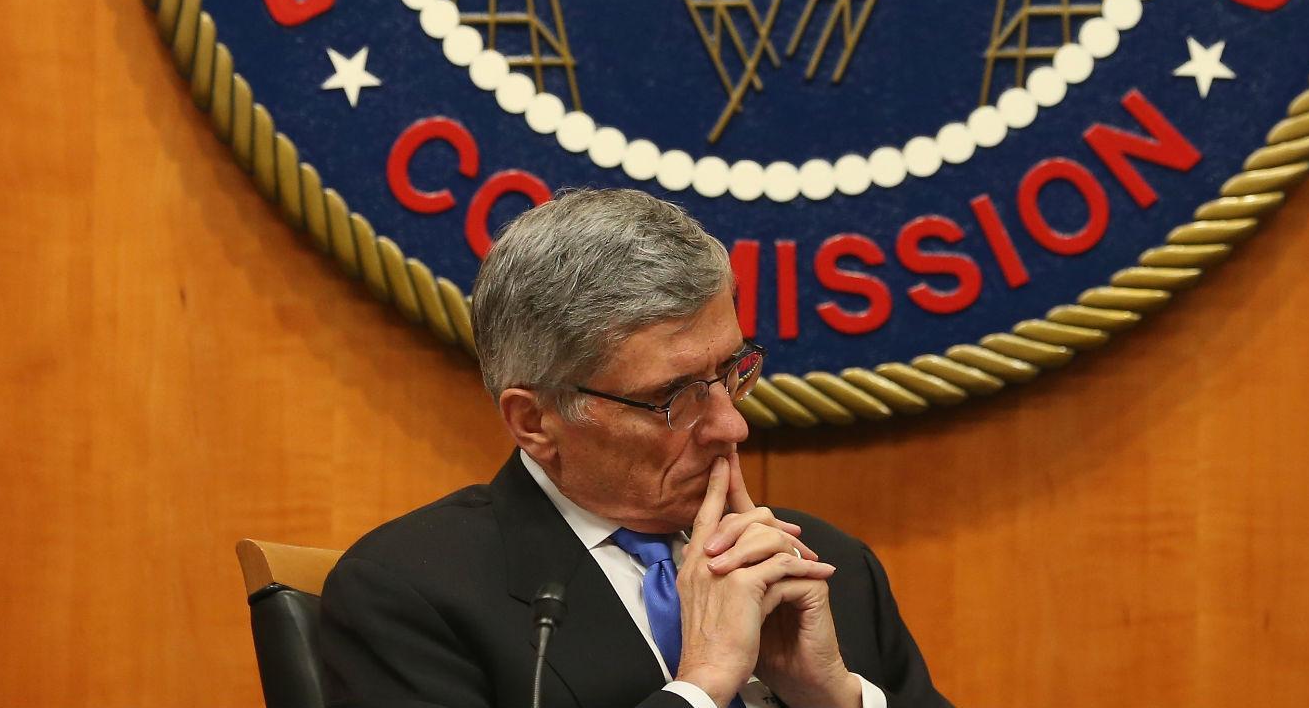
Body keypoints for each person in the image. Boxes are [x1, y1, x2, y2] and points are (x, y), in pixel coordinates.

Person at [321, 189, 952, 708]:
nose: (731, 427)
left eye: (733, 371)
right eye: (673, 399)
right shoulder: (412, 593)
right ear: (534, 421)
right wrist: (701, 687)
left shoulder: (824, 569)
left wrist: (837, 699)